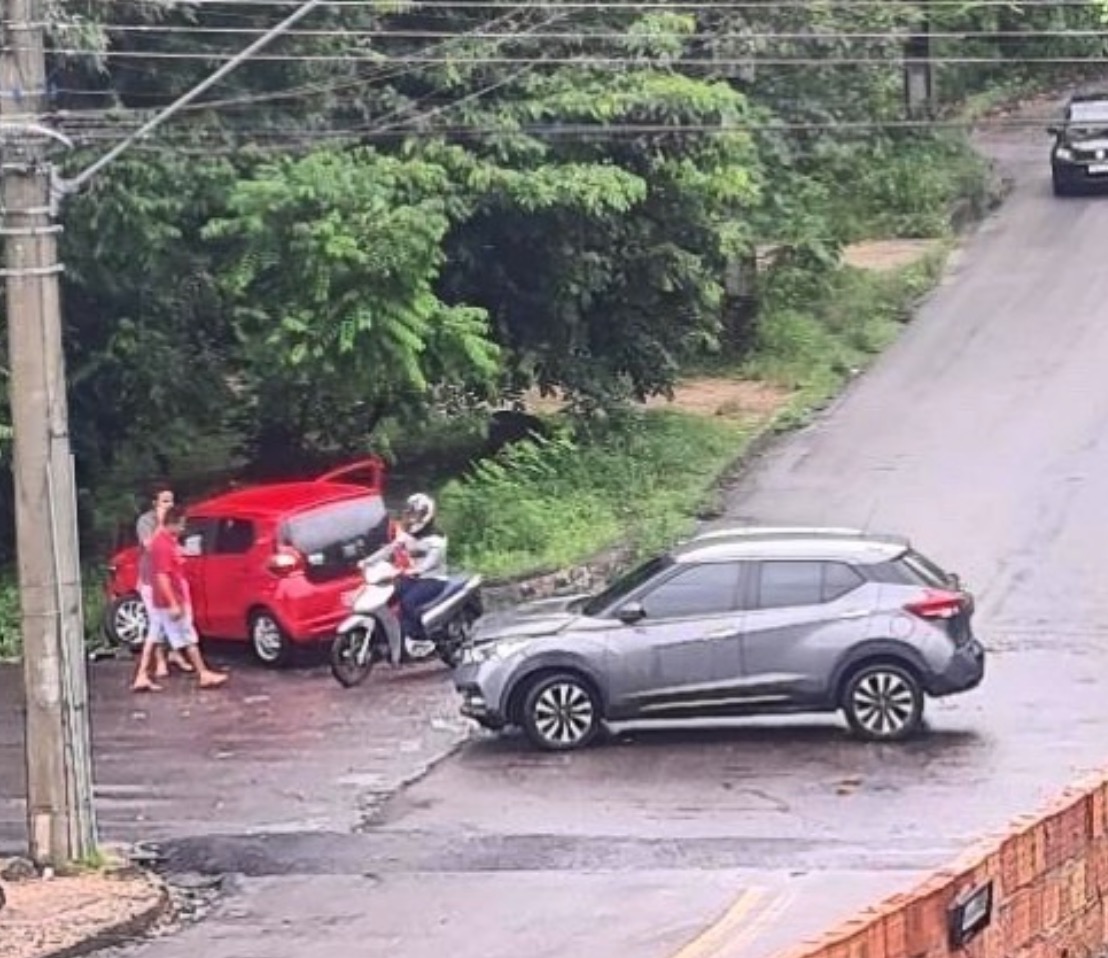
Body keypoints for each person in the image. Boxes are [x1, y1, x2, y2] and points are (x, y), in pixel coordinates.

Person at [148, 506, 228, 689]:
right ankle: (203, 673)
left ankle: (147, 672)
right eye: (181, 524)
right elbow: (162, 576)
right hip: (171, 599)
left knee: (164, 634)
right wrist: (173, 603)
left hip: (173, 596)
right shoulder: (162, 545)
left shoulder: (168, 541)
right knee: (187, 635)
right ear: (172, 523)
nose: (183, 528)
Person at [131, 484, 192, 692]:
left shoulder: (173, 523)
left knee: (164, 623)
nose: (169, 505)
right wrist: (161, 522)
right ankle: (155, 664)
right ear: (155, 503)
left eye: (171, 500)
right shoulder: (146, 522)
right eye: (165, 501)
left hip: (167, 578)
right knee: (156, 624)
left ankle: (173, 655)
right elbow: (151, 546)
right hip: (151, 579)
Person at [393, 493, 449, 643]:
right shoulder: (408, 534)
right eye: (410, 513)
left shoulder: (437, 537)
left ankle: (422, 636)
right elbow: (391, 548)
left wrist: (417, 570)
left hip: (433, 579)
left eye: (416, 514)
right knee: (388, 596)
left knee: (408, 602)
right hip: (413, 578)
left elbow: (431, 561)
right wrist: (370, 561)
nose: (412, 518)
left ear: (426, 515)